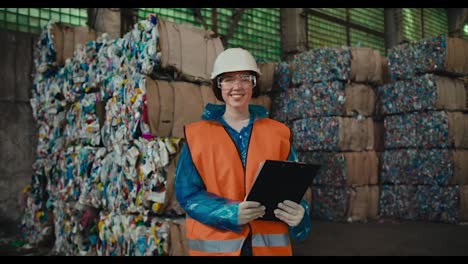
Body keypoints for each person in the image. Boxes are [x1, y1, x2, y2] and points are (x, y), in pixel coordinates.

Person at [174, 48, 311, 256]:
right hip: (218, 249)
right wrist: (230, 213)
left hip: (267, 249)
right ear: (218, 85)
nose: (237, 86)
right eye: (228, 79)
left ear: (253, 83)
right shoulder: (196, 136)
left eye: (245, 79)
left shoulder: (278, 134)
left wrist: (301, 217)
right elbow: (187, 195)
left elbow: (292, 189)